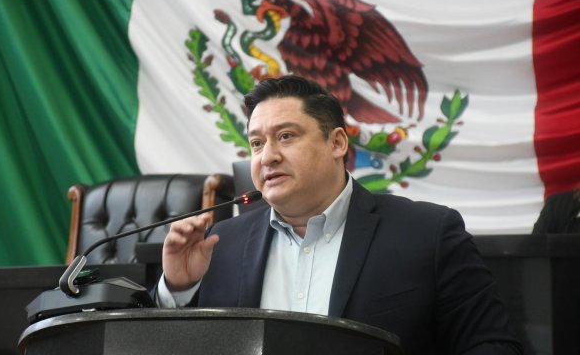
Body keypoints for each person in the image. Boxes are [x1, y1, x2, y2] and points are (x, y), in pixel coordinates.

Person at [157, 75, 522, 354]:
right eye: (256, 143)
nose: (267, 156)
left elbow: (493, 346)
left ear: (337, 143)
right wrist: (178, 290)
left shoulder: (428, 233)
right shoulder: (222, 243)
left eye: (286, 136)